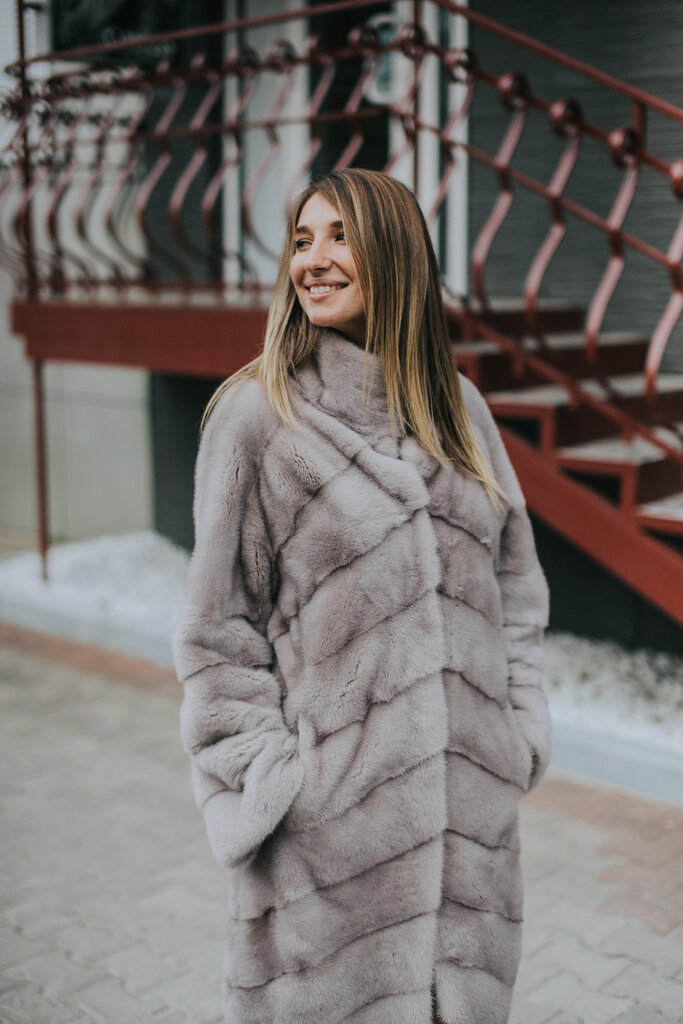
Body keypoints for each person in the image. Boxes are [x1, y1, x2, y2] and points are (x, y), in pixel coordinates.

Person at [172, 168, 551, 1024]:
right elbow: (216, 633)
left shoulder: (461, 411)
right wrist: (278, 785)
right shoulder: (258, 418)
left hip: (470, 848)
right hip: (328, 861)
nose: (313, 259)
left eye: (339, 237)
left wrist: (515, 734)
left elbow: (515, 588)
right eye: (301, 240)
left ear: (396, 255)